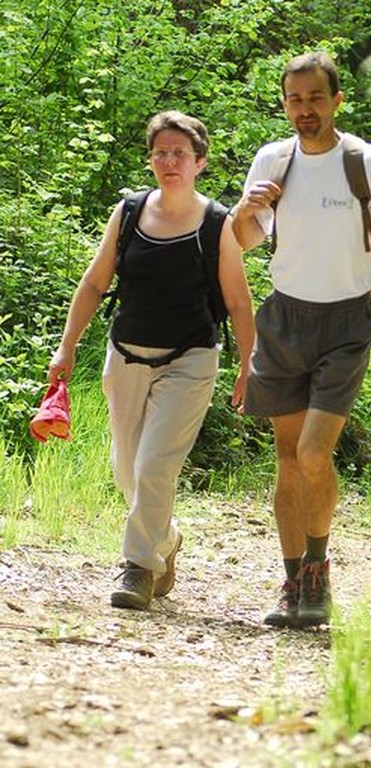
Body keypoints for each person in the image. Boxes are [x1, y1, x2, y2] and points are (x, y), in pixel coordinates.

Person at [232, 51, 371, 629]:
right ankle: (294, 583)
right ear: (284, 104)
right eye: (295, 99)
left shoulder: (369, 163)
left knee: (314, 453)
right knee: (288, 459)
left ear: (337, 100)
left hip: (347, 322)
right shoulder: (273, 160)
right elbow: (241, 240)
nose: (305, 109)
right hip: (284, 320)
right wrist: (245, 209)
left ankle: (319, 571)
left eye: (316, 98)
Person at [48, 111, 255, 610]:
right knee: (128, 470)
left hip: (191, 359)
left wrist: (249, 365)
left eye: (180, 153)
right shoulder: (128, 213)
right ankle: (166, 538)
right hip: (126, 355)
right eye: (161, 152)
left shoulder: (217, 224)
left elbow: (238, 301)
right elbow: (95, 283)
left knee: (155, 464)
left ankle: (138, 568)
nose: (169, 161)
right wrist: (67, 345)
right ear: (150, 160)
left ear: (200, 162)